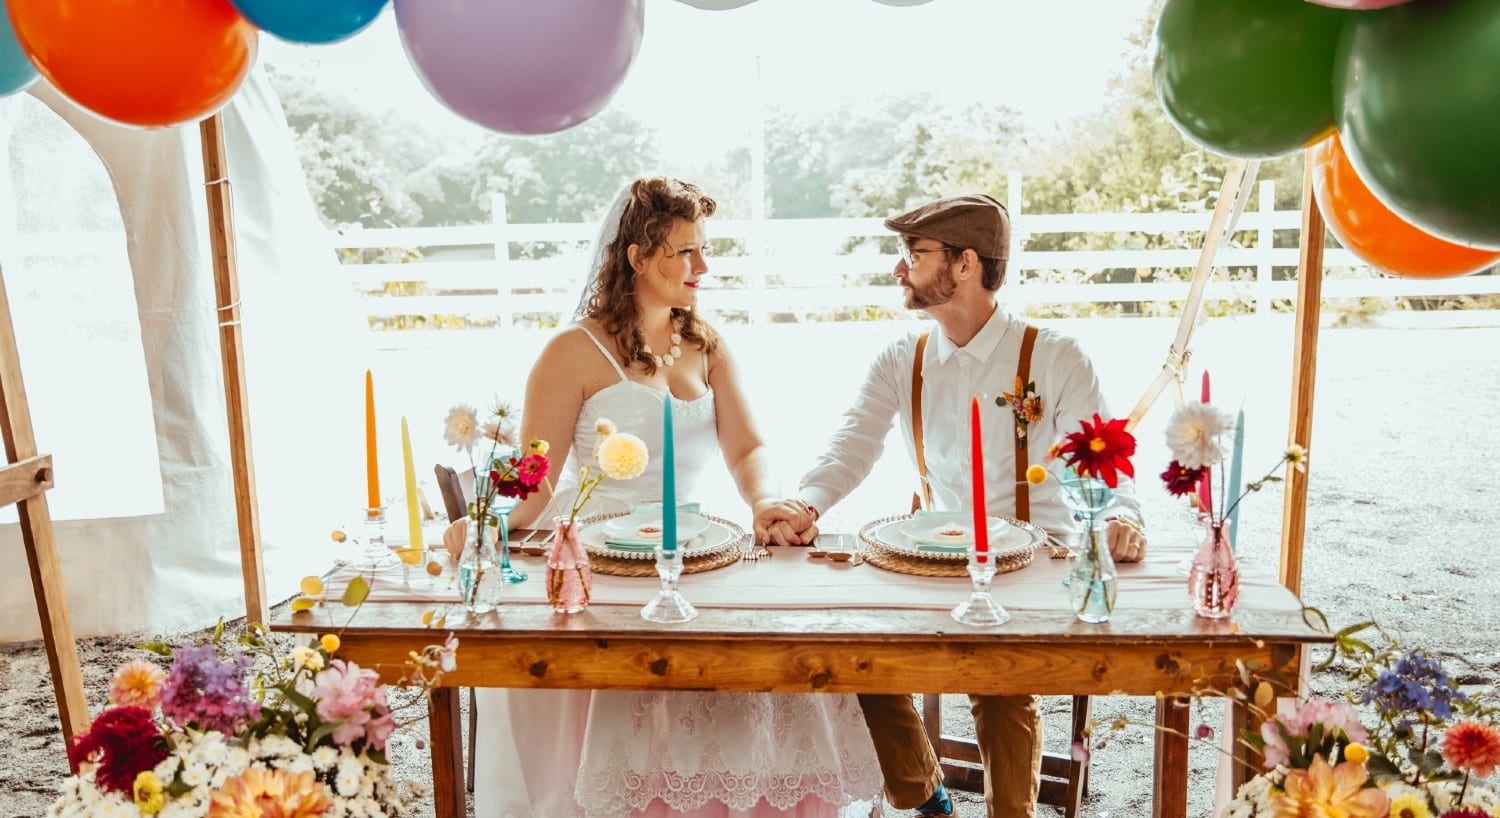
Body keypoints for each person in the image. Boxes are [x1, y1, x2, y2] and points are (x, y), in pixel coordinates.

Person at [471, 177, 881, 818]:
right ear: (636, 256)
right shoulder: (569, 352)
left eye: (704, 250)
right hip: (602, 560)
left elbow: (747, 448)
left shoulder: (706, 344)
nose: (703, 267)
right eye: (686, 251)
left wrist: (762, 501)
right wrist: (487, 525)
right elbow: (539, 478)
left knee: (755, 654)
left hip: (696, 548)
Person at [756, 194, 1148, 818]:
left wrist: (1120, 516)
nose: (899, 268)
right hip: (928, 559)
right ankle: (928, 799)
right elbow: (852, 444)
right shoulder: (901, 359)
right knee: (858, 652)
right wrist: (806, 503)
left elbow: (1102, 456)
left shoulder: (1055, 356)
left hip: (1031, 565)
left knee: (1000, 686)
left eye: (914, 254)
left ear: (965, 264)